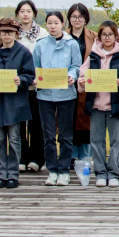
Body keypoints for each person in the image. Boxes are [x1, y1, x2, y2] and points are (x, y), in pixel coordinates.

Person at [0, 18, 35, 189]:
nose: (7, 35)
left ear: (16, 34)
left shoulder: (23, 52)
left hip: (15, 103)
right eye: (4, 32)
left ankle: (13, 174)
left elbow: (30, 74)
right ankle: (0, 174)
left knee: (14, 139)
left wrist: (22, 80)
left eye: (10, 32)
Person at [77, 21, 119, 188]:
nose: (107, 38)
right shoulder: (93, 55)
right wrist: (82, 82)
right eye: (104, 35)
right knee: (96, 141)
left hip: (116, 105)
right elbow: (82, 74)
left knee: (116, 141)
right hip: (96, 105)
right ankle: (100, 173)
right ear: (99, 36)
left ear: (116, 36)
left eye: (110, 34)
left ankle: (114, 173)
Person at [32, 11, 82, 186]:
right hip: (45, 95)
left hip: (66, 94)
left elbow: (76, 66)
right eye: (49, 23)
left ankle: (64, 170)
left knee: (66, 136)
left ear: (62, 24)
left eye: (56, 23)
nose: (53, 26)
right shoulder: (40, 45)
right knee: (48, 135)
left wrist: (72, 76)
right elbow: (35, 67)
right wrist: (36, 79)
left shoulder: (72, 44)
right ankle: (52, 170)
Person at [15, 0, 49, 173]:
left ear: (34, 13)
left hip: (37, 86)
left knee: (36, 124)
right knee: (19, 124)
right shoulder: (14, 33)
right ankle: (22, 157)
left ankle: (37, 158)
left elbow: (47, 56)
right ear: (17, 14)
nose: (25, 14)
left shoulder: (42, 33)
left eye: (28, 11)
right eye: (22, 11)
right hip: (18, 87)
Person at [66, 3, 97, 167]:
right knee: (68, 121)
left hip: (87, 85)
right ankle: (69, 156)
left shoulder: (94, 37)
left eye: (80, 16)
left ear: (86, 19)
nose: (77, 20)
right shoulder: (63, 36)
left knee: (86, 121)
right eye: (73, 16)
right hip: (67, 85)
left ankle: (85, 157)